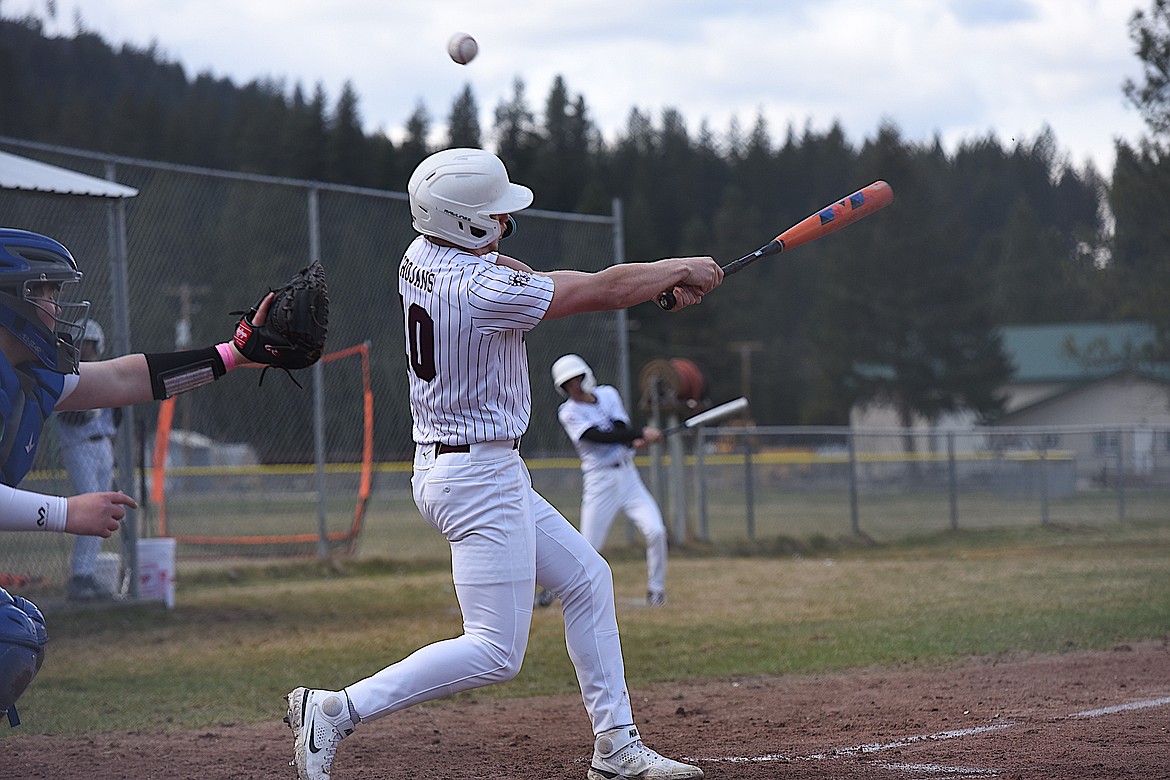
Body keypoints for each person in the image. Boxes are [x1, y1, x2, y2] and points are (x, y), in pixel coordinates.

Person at [284, 148, 722, 780]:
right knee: (494, 650)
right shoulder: (482, 288)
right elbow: (596, 289)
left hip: (468, 467)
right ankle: (337, 709)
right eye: (494, 215)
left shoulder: (421, 258)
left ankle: (616, 747)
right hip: (476, 478)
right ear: (461, 222)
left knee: (588, 580)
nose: (505, 225)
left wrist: (656, 284)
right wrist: (677, 268)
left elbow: (532, 275)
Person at [0, 227, 278, 727]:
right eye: (47, 292)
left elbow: (129, 377)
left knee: (18, 631)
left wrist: (234, 354)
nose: (58, 309)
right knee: (7, 638)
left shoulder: (25, 375)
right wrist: (66, 512)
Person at [544, 354, 669, 609]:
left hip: (628, 476)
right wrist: (640, 433)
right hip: (600, 481)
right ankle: (552, 588)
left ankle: (656, 591)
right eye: (568, 384)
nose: (575, 387)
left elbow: (620, 426)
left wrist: (632, 439)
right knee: (587, 547)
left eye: (577, 380)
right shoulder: (568, 412)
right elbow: (597, 436)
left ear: (586, 376)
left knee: (656, 531)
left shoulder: (608, 394)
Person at [56, 319, 120, 602]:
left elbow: (114, 415)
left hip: (103, 446)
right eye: (82, 345)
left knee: (103, 511)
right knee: (91, 507)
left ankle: (89, 574)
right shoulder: (65, 375)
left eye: (91, 346)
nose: (86, 351)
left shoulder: (103, 374)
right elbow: (72, 416)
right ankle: (80, 576)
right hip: (78, 446)